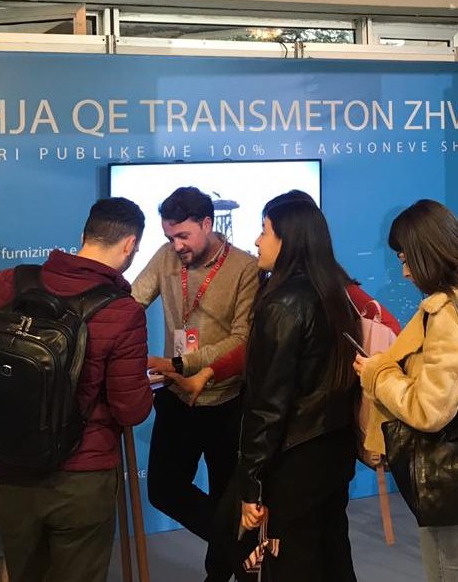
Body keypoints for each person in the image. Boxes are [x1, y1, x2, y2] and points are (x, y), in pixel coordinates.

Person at [0, 197, 153, 582]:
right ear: (130, 245)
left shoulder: (8, 283)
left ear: (84, 235)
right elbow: (130, 410)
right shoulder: (123, 312)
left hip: (12, 470)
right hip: (82, 479)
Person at [353, 199, 458, 582]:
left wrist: (377, 374)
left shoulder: (447, 313)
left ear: (428, 252)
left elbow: (430, 410)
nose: (406, 272)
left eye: (406, 259)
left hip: (457, 478)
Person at [228, 196, 361, 581]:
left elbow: (268, 404)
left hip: (293, 459)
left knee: (292, 563)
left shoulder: (284, 304)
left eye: (264, 231)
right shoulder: (335, 292)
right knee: (332, 555)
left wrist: (251, 482)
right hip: (333, 448)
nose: (257, 241)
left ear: (288, 239)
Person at [131, 186, 259, 545]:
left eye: (183, 236)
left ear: (207, 224)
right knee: (164, 490)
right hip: (176, 396)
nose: (176, 246)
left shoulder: (244, 268)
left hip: (226, 401)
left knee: (226, 495)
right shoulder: (166, 258)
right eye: (170, 237)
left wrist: (179, 362)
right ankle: (240, 549)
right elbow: (132, 302)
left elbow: (242, 339)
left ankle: (228, 561)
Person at [191, 189, 401, 391]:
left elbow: (390, 328)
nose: (257, 241)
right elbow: (264, 347)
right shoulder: (321, 287)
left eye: (265, 231)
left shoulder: (301, 298)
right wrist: (212, 371)